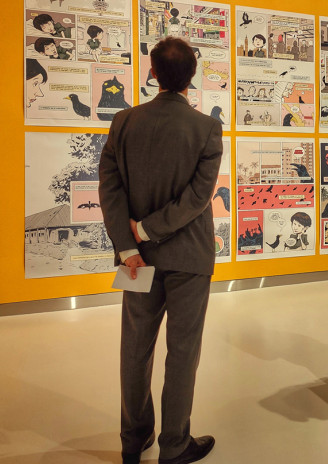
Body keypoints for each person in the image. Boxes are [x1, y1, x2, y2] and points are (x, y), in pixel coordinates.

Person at [99, 37, 222, 464]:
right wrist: (150, 230)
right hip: (189, 258)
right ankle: (174, 445)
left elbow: (110, 192)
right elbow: (197, 199)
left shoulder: (124, 121)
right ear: (192, 77)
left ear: (153, 73)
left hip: (138, 261)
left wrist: (129, 244)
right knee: (183, 352)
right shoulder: (206, 127)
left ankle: (133, 441)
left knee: (135, 349)